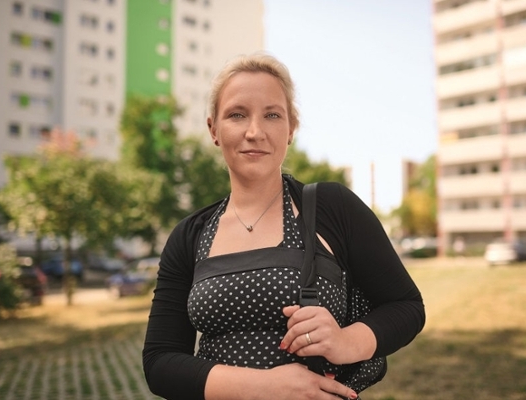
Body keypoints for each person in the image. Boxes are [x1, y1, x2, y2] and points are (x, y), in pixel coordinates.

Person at [142, 53, 425, 400]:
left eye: (272, 115)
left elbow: (406, 306)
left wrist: (346, 341)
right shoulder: (190, 236)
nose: (254, 132)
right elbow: (160, 363)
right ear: (214, 129)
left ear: (291, 129)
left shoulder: (331, 207)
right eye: (237, 115)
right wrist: (265, 387)